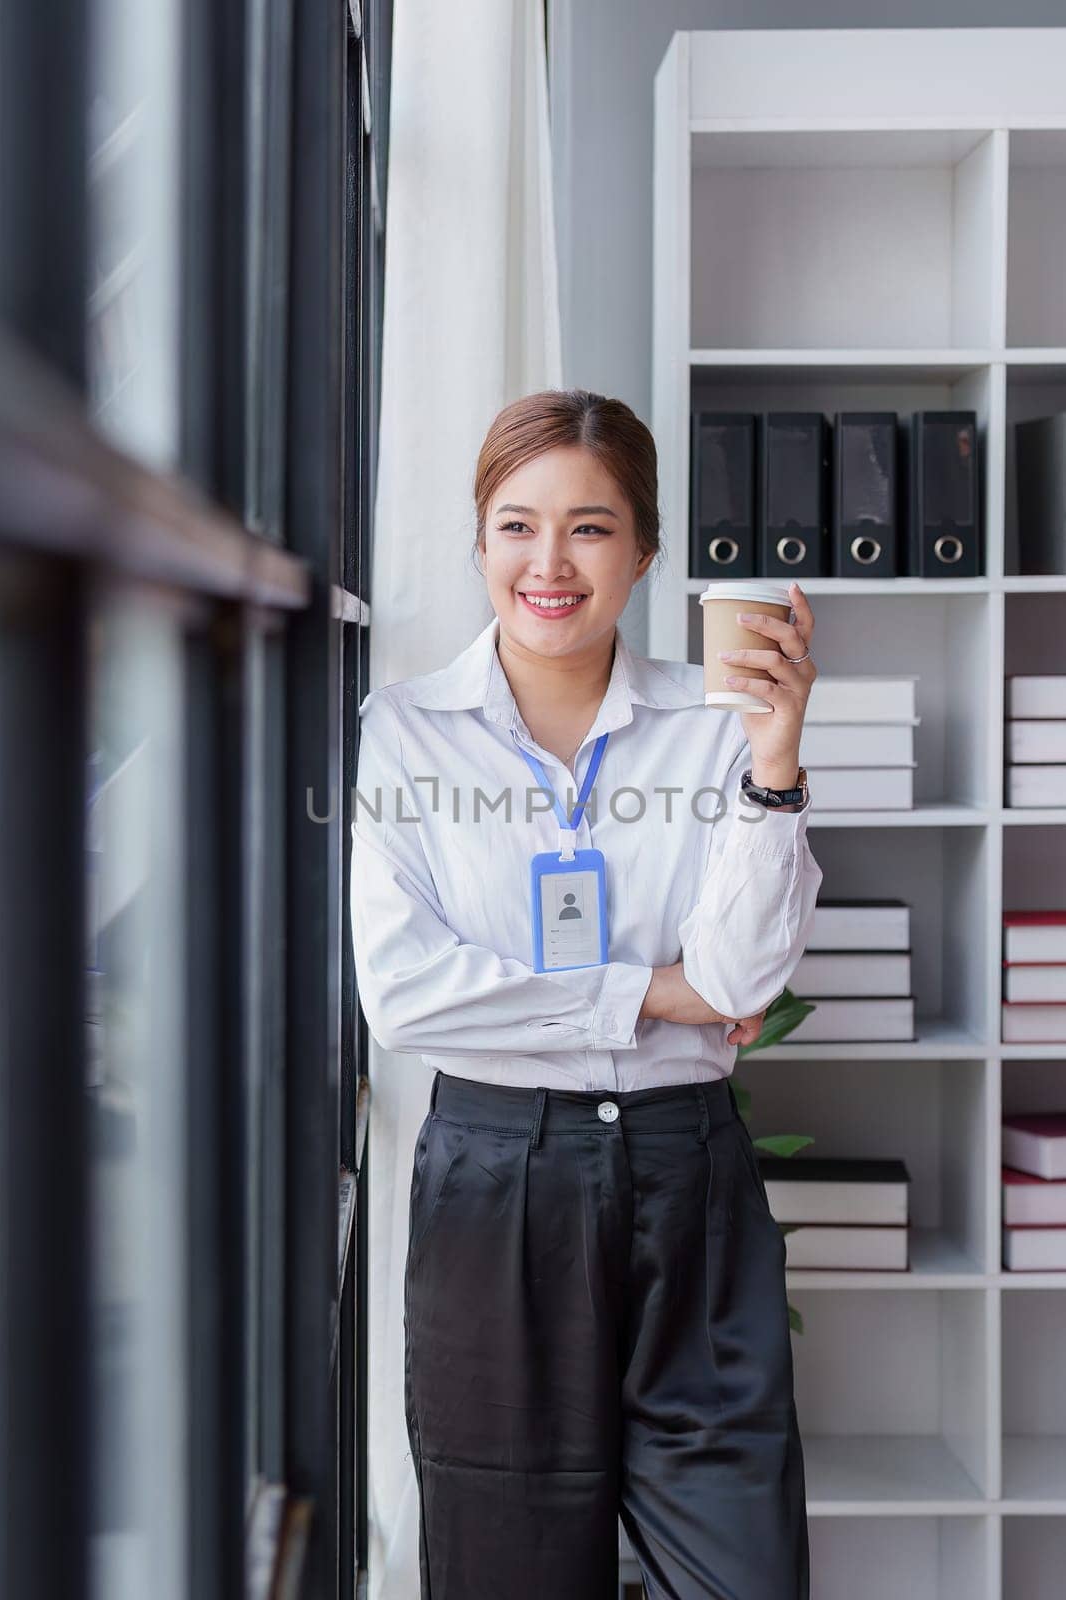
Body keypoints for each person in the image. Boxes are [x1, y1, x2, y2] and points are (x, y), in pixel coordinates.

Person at [350, 390, 823, 1599]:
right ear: (477, 543)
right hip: (496, 1184)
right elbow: (409, 999)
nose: (547, 564)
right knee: (506, 1570)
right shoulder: (404, 735)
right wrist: (644, 995)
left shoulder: (718, 733)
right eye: (515, 526)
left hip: (690, 1180)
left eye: (590, 529)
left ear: (646, 552)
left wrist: (774, 763)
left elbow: (736, 980)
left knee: (741, 1571)